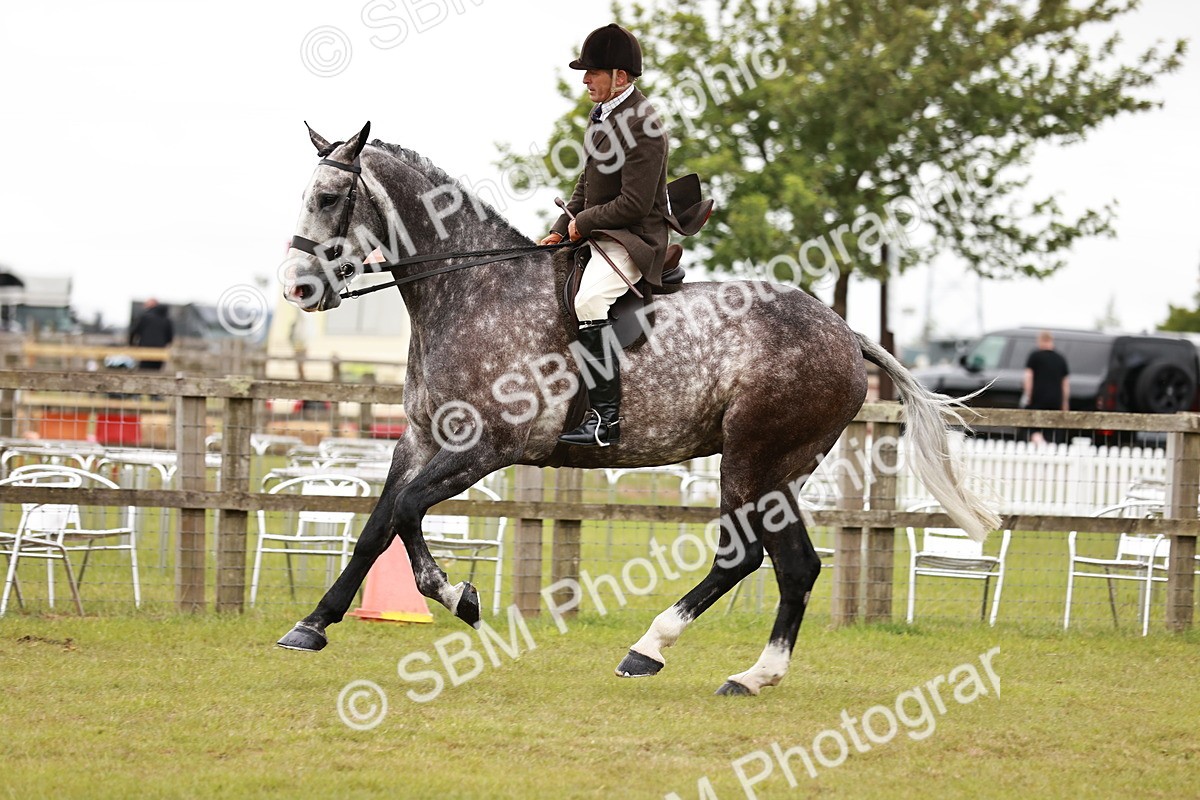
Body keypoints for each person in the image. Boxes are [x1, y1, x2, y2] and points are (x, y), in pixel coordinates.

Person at [538, 23, 671, 448]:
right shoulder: (603, 117)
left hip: (633, 238)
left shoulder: (645, 126)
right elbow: (587, 183)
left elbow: (633, 204)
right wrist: (560, 231)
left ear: (620, 76)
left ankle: (604, 421)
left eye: (593, 72)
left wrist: (585, 223)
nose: (584, 79)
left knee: (589, 298)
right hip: (600, 231)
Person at [1022, 330, 1069, 445]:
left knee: (1034, 426)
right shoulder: (1060, 358)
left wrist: (1028, 395)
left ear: (1041, 341)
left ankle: (1039, 442)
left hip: (1038, 397)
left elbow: (1028, 376)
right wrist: (1065, 402)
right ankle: (1050, 445)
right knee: (1052, 427)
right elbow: (1065, 384)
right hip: (1056, 400)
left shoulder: (1035, 356)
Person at [128, 298, 174, 370]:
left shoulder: (144, 317)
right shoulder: (166, 319)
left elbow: (134, 331)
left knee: (144, 371)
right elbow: (170, 337)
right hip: (160, 350)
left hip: (145, 349)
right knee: (156, 372)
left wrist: (132, 345)